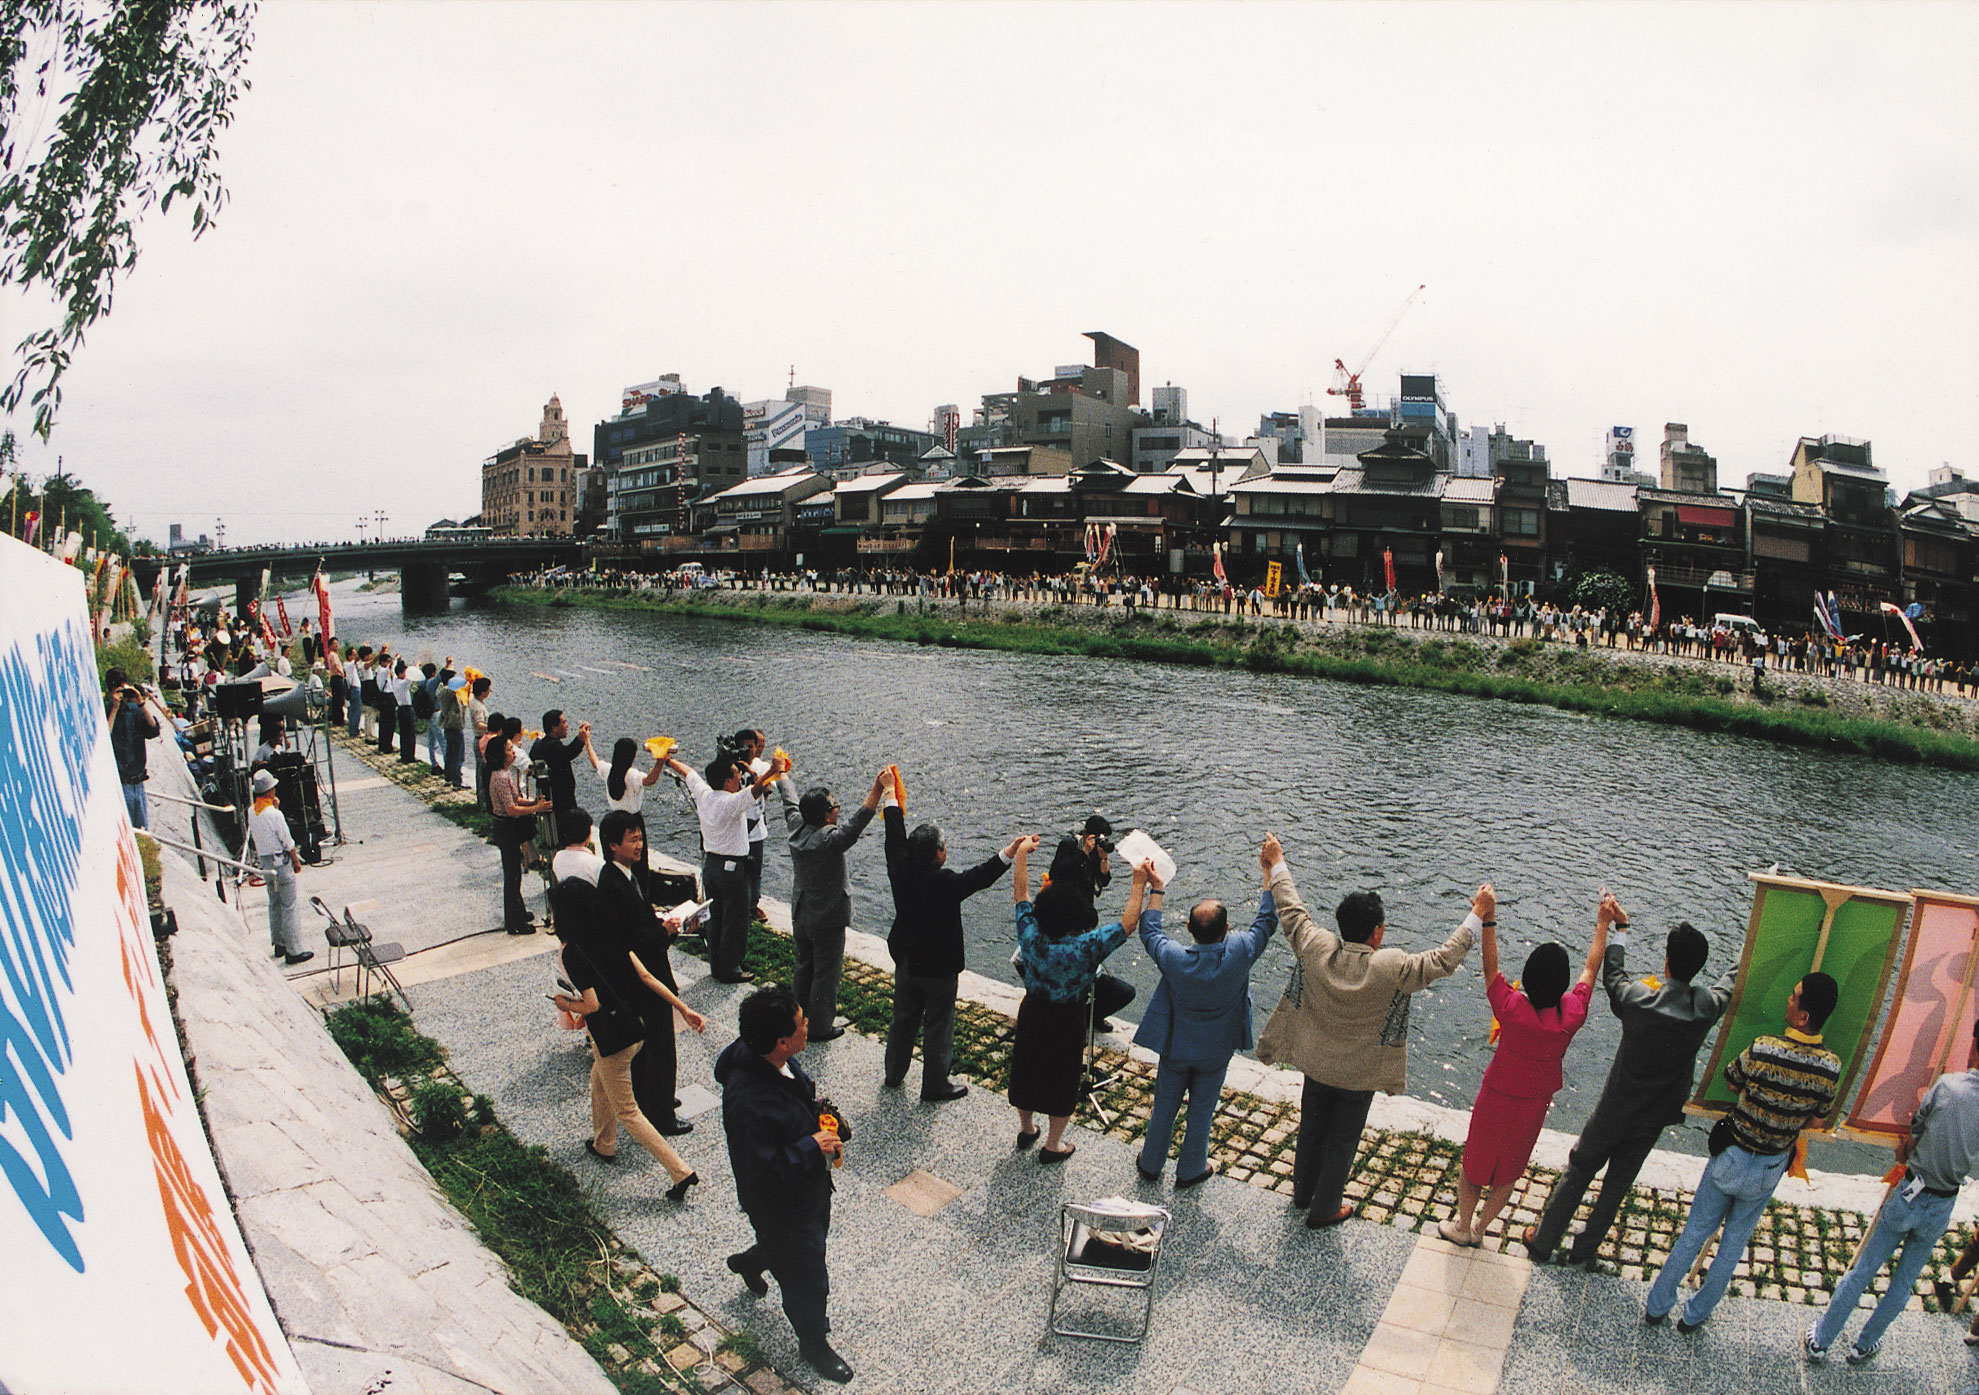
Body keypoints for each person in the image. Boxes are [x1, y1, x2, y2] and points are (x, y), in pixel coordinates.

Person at [1256, 864, 1477, 1229]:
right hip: (1358, 1076)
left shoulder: (1317, 947)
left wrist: (1277, 863)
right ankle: (1325, 1208)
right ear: (1377, 933)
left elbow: (1291, 909)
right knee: (1342, 1140)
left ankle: (1302, 1193)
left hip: (1317, 1063)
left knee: (1311, 1129)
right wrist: (1477, 915)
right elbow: (1443, 960)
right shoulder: (1391, 967)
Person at [1525, 913, 1733, 1265]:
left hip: (1615, 1106)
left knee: (1580, 1168)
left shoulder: (1639, 1000)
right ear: (1698, 967)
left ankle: (1544, 1240)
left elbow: (1613, 977)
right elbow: (1731, 984)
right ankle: (1585, 1249)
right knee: (1617, 1185)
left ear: (1666, 962)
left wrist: (1620, 930)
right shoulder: (1706, 1007)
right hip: (1655, 1116)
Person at [1645, 972, 1842, 1332]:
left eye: (1794, 997)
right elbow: (1816, 1120)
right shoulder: (1830, 1069)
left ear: (1803, 1016)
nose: (1788, 999)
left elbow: (1732, 1078)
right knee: (1732, 1248)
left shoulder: (1764, 1047)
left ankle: (1657, 1305)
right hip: (1769, 1166)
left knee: (1694, 1233)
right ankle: (1695, 1316)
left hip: (1733, 1154)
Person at [1806, 1021, 1979, 1363]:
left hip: (1912, 1191)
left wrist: (1907, 1150)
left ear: (1973, 1043)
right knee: (1903, 1283)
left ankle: (1821, 1340)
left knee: (1865, 1268)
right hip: (1943, 1201)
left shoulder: (1948, 1086)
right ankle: (1864, 1345)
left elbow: (1913, 1138)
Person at [1443, 887, 1606, 1246]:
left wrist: (1489, 918)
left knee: (1474, 1166)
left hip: (1496, 1097)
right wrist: (1602, 924)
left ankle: (1462, 1227)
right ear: (1562, 984)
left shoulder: (1512, 1009)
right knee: (1508, 1173)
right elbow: (1591, 967)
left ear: (1528, 978)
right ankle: (1481, 1229)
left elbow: (1490, 969)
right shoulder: (1571, 1015)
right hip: (1534, 1104)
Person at [715, 986, 852, 1383]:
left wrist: (818, 1117)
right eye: (801, 1023)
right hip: (781, 1203)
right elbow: (760, 1174)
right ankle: (814, 1345)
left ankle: (750, 1261)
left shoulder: (774, 1060)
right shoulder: (748, 1102)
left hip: (804, 1193)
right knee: (807, 1274)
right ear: (781, 1042)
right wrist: (812, 1145)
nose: (808, 1025)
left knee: (786, 1250)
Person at [1132, 835, 1279, 1185]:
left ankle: (1151, 1163)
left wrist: (1157, 889)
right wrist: (1268, 873)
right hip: (1217, 1049)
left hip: (1177, 1046)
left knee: (1164, 1104)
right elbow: (1266, 923)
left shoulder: (1175, 959)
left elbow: (1149, 931)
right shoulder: (1240, 951)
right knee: (1202, 1110)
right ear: (1226, 929)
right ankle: (1191, 1168)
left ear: (1188, 930)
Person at [550, 874, 701, 1204]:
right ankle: (603, 1143)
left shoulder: (574, 952)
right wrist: (684, 1009)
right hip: (637, 1028)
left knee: (629, 1112)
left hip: (612, 1038)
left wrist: (564, 1004)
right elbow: (646, 977)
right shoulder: (611, 934)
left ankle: (681, 1171)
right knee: (598, 1082)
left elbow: (591, 1005)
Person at [881, 782, 1019, 1102]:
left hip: (906, 961)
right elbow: (980, 876)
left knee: (903, 1018)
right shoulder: (946, 882)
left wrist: (890, 795)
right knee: (938, 1025)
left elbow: (893, 835)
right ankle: (935, 1085)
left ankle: (894, 1072)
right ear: (938, 853)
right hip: (939, 970)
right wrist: (1009, 852)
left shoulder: (900, 870)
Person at [1010, 835, 1139, 1161]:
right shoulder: (1087, 947)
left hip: (1034, 1010)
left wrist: (1022, 855)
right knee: (1063, 1078)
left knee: (1026, 1068)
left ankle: (1027, 1129)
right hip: (1068, 1018)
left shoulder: (1030, 935)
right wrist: (1139, 881)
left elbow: (1021, 895)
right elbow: (1127, 924)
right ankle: (1054, 1144)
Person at [596, 810, 701, 1137]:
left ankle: (652, 1099)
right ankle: (661, 1112)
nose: (640, 845)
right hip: (643, 980)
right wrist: (666, 931)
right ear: (614, 845)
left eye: (641, 838)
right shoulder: (615, 884)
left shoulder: (623, 875)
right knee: (660, 1046)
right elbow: (635, 941)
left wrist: (660, 920)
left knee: (650, 1048)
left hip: (640, 977)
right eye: (633, 840)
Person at [776, 767, 883, 1040]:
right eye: (835, 806)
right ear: (826, 815)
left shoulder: (796, 827)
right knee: (825, 975)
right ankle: (820, 1028)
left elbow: (789, 801)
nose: (838, 811)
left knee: (803, 969)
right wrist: (878, 789)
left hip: (802, 915)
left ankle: (795, 1020)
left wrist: (781, 774)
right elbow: (857, 822)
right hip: (828, 920)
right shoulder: (830, 840)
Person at [666, 748, 783, 982]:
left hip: (711, 866)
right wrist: (773, 769)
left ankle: (716, 965)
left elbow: (688, 772)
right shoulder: (731, 802)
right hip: (732, 869)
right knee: (735, 919)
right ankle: (731, 969)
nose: (740, 777)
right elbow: (758, 789)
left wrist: (668, 760)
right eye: (735, 774)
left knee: (715, 917)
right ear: (727, 781)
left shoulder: (704, 795)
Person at [488, 735, 553, 935]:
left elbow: (516, 798)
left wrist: (534, 802)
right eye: (509, 749)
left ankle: (518, 911)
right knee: (512, 875)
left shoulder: (505, 774)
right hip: (506, 828)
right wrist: (535, 808)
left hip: (509, 828)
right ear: (501, 754)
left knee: (515, 872)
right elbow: (511, 809)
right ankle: (514, 921)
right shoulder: (500, 777)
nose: (513, 752)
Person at [247, 769, 311, 965]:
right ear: (269, 792)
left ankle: (279, 943)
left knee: (274, 902)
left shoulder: (252, 811)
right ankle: (294, 949)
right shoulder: (275, 814)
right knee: (289, 905)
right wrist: (295, 860)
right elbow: (287, 840)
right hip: (280, 860)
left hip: (265, 862)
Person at [104, 667, 162, 829]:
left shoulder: (134, 711)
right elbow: (104, 740)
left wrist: (141, 702)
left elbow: (153, 730)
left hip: (139, 783)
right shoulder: (106, 713)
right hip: (121, 784)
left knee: (143, 830)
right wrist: (114, 708)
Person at [530, 709, 589, 845]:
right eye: (563, 722)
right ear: (554, 727)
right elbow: (567, 754)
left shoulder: (539, 745)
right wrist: (580, 740)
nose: (567, 725)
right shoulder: (554, 746)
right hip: (562, 799)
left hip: (548, 794)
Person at [438, 673, 469, 788]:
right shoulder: (452, 696)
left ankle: (448, 778)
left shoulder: (443, 694)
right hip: (455, 729)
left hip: (447, 728)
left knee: (450, 754)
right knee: (457, 756)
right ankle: (457, 781)